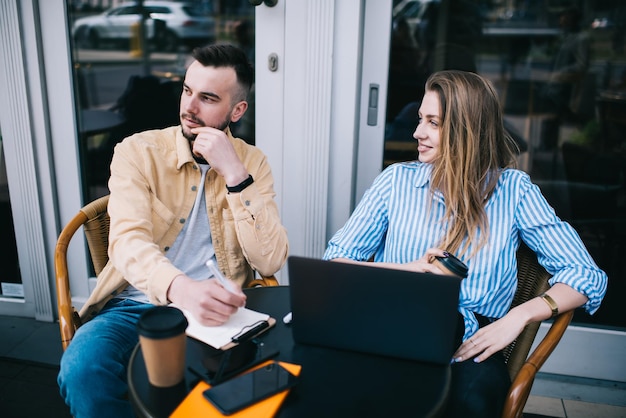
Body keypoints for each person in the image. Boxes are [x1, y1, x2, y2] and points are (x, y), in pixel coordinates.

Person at [323, 70, 607, 417]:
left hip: (469, 343)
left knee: (471, 404)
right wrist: (410, 270)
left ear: (466, 131)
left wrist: (519, 317)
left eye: (433, 123)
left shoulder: (513, 192)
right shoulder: (395, 182)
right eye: (420, 120)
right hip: (393, 327)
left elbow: (587, 275)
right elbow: (336, 262)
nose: (417, 132)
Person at [58, 44, 289, 418]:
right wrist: (182, 289)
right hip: (134, 306)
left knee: (248, 391)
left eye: (208, 98)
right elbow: (127, 241)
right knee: (82, 370)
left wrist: (235, 175)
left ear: (237, 110)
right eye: (187, 90)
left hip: (220, 313)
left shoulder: (252, 163)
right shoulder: (138, 151)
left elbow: (271, 259)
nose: (190, 107)